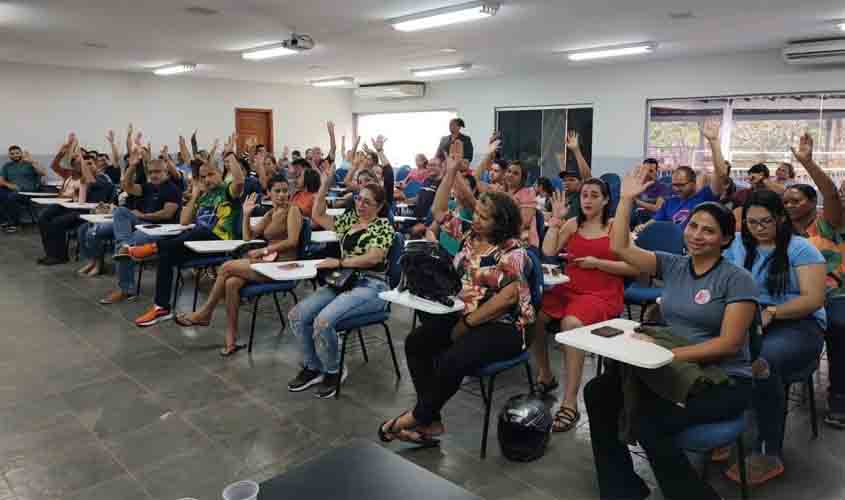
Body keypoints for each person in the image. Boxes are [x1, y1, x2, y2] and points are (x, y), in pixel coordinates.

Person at [584, 166, 758, 500]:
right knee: (598, 393)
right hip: (672, 369)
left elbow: (729, 344)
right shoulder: (674, 265)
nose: (696, 235)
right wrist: (625, 200)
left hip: (722, 380)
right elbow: (620, 247)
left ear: (725, 239)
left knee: (649, 423)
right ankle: (620, 487)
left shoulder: (737, 279)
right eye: (692, 226)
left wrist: (667, 354)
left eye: (708, 231)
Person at [378, 143, 533, 445]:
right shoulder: (469, 237)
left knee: (451, 359)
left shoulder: (513, 251)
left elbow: (508, 298)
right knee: (416, 342)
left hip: (506, 326)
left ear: (501, 223)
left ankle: (417, 417)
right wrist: (449, 172)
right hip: (467, 315)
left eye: (484, 217)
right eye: (477, 213)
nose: (476, 219)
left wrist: (469, 324)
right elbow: (438, 210)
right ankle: (431, 420)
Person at [722, 189, 825, 486]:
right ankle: (724, 428)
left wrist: (773, 312)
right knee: (711, 348)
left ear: (780, 218)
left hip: (798, 325)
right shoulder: (739, 246)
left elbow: (814, 299)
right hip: (749, 321)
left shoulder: (802, 249)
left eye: (765, 222)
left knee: (760, 361)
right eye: (751, 223)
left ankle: (768, 450)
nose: (757, 229)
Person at [531, 179, 638, 432]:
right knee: (533, 312)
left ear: (606, 200)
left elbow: (635, 267)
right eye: (584, 195)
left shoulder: (615, 227)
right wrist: (555, 222)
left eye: (594, 195)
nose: (587, 200)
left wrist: (598, 263)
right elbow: (547, 251)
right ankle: (546, 375)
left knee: (571, 323)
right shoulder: (572, 224)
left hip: (602, 292)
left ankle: (570, 403)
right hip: (568, 287)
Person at [287, 166, 396, 399]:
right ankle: (313, 366)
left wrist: (339, 262)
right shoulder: (350, 220)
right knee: (297, 316)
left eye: (367, 202)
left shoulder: (384, 226)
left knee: (323, 321)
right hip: (344, 281)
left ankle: (333, 371)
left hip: (372, 286)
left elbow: (373, 258)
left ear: (378, 206)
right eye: (359, 199)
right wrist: (325, 185)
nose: (360, 204)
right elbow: (318, 216)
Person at [175, 177, 303, 356]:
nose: (282, 195)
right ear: (269, 194)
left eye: (285, 191)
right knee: (231, 283)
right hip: (268, 263)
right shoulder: (271, 213)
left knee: (226, 267)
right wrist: (247, 214)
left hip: (283, 266)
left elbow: (292, 241)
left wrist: (264, 250)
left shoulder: (293, 210)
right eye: (277, 191)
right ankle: (231, 339)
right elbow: (247, 238)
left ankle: (205, 313)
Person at [131, 143, 245, 327]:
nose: (207, 180)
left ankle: (152, 247)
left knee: (199, 230)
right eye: (202, 177)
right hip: (197, 242)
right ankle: (161, 307)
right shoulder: (203, 196)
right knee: (166, 255)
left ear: (220, 173)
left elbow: (239, 181)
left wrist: (230, 155)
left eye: (211, 174)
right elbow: (184, 221)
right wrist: (195, 195)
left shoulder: (228, 191)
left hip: (220, 242)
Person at [781, 133, 845, 429]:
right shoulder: (780, 229)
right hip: (792, 293)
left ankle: (839, 398)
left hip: (834, 295)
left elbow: (831, 194)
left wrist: (807, 162)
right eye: (786, 201)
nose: (790, 205)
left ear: (812, 202)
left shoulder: (828, 222)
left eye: (797, 200)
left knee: (840, 325)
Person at [96, 156, 181, 303]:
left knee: (124, 247)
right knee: (120, 212)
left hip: (159, 229)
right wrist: (132, 166)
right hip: (141, 222)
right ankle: (124, 244)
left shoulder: (172, 189)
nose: (154, 175)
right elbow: (127, 186)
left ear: (166, 172)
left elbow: (167, 213)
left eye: (158, 172)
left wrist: (144, 215)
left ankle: (126, 290)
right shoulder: (148, 186)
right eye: (151, 172)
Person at [38, 148, 113, 265]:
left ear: (97, 165)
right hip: (76, 207)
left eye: (90, 164)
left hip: (90, 212)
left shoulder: (103, 179)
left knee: (57, 222)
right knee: (44, 217)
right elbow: (79, 195)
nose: (87, 166)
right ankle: (50, 253)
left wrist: (82, 161)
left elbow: (91, 181)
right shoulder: (83, 178)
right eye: (85, 164)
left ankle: (60, 256)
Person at [649, 122, 727, 228]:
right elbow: (653, 224)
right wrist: (642, 228)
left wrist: (713, 141)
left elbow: (721, 173)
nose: (676, 189)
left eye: (681, 185)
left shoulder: (705, 197)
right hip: (672, 243)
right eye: (674, 185)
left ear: (693, 183)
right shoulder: (670, 203)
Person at [0, 145, 45, 233]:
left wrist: (31, 161)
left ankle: (14, 224)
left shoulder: (29, 163)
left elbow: (43, 173)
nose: (15, 155)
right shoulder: (7, 166)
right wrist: (9, 185)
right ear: (9, 155)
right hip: (12, 190)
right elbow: (1, 180)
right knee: (5, 195)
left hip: (28, 192)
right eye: (12, 154)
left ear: (21, 153)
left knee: (12, 197)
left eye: (17, 153)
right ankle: (5, 221)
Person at [503, 160, 539, 248]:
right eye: (509, 171)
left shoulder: (527, 193)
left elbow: (523, 224)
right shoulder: (501, 191)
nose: (510, 175)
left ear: (522, 178)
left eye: (515, 173)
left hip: (523, 244)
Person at [557, 131, 592, 219]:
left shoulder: (582, 196)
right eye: (564, 180)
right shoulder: (563, 198)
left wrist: (576, 150)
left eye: (571, 180)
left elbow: (588, 178)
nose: (566, 182)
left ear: (581, 183)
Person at [631, 158, 670, 226]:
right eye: (644, 170)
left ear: (656, 171)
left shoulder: (662, 187)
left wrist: (636, 201)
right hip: (635, 220)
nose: (647, 173)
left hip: (651, 222)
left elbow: (658, 208)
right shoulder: (636, 185)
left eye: (651, 171)